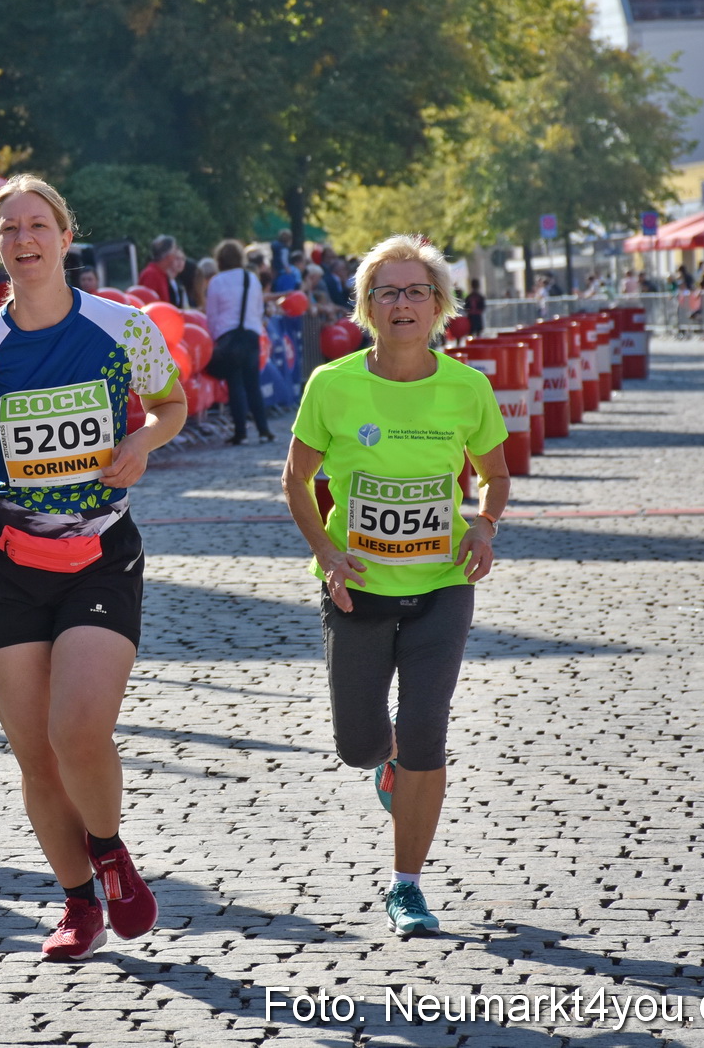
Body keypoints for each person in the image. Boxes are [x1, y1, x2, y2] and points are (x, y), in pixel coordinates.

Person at [0, 174, 186, 961]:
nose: (25, 239)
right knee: (35, 752)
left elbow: (170, 404)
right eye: (10, 228)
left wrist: (142, 442)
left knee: (78, 728)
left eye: (39, 225)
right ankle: (78, 902)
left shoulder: (123, 327)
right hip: (4, 563)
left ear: (66, 237)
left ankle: (106, 847)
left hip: (99, 552)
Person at [280, 233, 508, 938]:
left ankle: (406, 884)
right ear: (367, 307)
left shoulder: (466, 387)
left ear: (439, 305)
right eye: (388, 291)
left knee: (425, 729)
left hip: (442, 586)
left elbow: (495, 476)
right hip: (357, 590)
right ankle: (387, 770)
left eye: (416, 292)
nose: (402, 303)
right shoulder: (333, 384)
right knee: (359, 743)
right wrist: (326, 549)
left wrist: (484, 525)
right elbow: (295, 478)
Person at [205, 238, 273, 445]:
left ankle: (240, 433)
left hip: (228, 336)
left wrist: (218, 336)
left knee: (235, 384)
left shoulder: (216, 281)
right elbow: (258, 309)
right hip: (251, 334)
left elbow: (212, 315)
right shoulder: (251, 279)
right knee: (253, 384)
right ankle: (264, 430)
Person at [137, 235, 183, 303]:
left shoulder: (161, 273)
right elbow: (148, 306)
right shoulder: (151, 274)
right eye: (175, 250)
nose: (176, 255)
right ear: (168, 255)